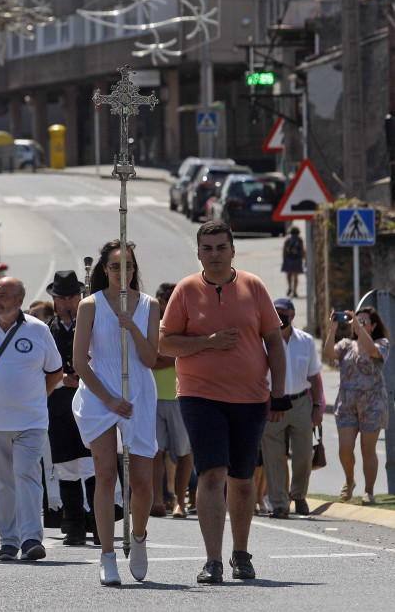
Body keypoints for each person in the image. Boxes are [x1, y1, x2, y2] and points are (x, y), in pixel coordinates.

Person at [159, 220, 287, 584]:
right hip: (200, 396)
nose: (214, 254)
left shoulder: (253, 286)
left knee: (243, 478)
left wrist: (279, 394)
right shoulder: (185, 290)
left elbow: (274, 344)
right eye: (207, 248)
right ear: (198, 252)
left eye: (220, 247)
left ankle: (240, 554)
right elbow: (165, 344)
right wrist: (208, 341)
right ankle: (212, 560)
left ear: (233, 250)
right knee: (212, 473)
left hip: (250, 397)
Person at [72, 242, 160, 585]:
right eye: (114, 267)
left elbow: (152, 359)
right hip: (99, 392)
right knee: (106, 474)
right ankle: (107, 554)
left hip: (139, 388)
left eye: (128, 266)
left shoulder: (150, 305)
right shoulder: (89, 305)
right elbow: (80, 362)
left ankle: (138, 537)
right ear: (103, 270)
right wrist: (108, 400)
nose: (121, 273)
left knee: (141, 481)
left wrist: (132, 326)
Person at [0, 277, 62, 563]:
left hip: (31, 420)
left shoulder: (39, 330)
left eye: (4, 295)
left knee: (27, 475)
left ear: (20, 301)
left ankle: (31, 537)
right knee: (1, 482)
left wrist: (34, 398)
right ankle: (8, 540)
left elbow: (54, 372)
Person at [43, 270, 98, 546]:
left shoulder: (93, 324)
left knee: (93, 467)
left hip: (89, 402)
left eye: (71, 297)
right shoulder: (46, 329)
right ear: (54, 300)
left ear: (80, 297)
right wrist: (59, 379)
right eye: (61, 298)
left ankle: (101, 525)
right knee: (66, 468)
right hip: (59, 406)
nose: (66, 303)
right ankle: (73, 525)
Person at [259, 297, 323, 518]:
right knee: (273, 456)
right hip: (272, 403)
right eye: (275, 312)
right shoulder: (263, 340)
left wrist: (317, 405)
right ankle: (278, 503)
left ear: (292, 315)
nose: (279, 316)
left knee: (304, 454)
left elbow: (314, 375)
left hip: (300, 403)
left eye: (283, 312)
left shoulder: (306, 340)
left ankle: (299, 496)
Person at [322, 306, 391, 505]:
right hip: (347, 401)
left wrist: (360, 331)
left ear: (373, 325)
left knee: (367, 448)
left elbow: (372, 351)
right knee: (345, 447)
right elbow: (328, 353)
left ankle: (368, 491)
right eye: (356, 321)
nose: (358, 325)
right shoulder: (345, 345)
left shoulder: (382, 343)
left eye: (363, 322)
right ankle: (350, 480)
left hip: (373, 401)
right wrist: (332, 328)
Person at [151, 283, 193, 519]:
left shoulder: (185, 328)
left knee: (183, 452)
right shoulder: (150, 327)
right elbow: (148, 359)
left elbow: (179, 356)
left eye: (168, 300)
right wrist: (170, 355)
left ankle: (180, 501)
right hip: (153, 397)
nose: (164, 305)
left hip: (180, 396)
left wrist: (165, 356)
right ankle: (158, 499)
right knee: (155, 452)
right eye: (161, 300)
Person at [281, 227, 304, 298]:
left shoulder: (287, 239)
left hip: (288, 258)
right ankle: (295, 291)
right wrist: (304, 259)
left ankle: (290, 287)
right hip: (297, 259)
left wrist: (284, 258)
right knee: (296, 276)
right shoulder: (300, 240)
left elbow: (284, 249)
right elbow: (302, 250)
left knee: (289, 275)